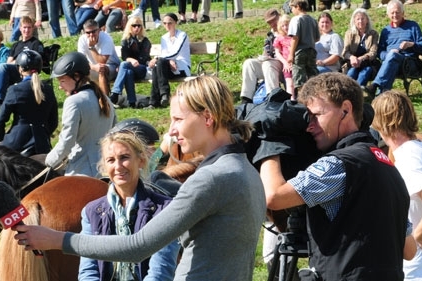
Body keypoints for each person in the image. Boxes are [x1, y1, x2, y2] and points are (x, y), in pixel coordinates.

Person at [15, 75, 267, 281]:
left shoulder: (211, 179)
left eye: (178, 119)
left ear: (208, 118)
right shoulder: (245, 169)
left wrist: (57, 239)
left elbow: (139, 245)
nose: (171, 130)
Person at [260, 72, 410, 280]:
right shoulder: (386, 165)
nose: (310, 126)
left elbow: (275, 197)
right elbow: (409, 250)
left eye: (316, 116)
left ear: (345, 110)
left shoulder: (339, 164)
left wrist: (270, 142)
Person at [78, 130, 179, 281]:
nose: (118, 166)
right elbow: (88, 271)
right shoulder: (90, 212)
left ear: (141, 160)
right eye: (111, 160)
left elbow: (160, 271)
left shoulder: (165, 208)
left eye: (124, 157)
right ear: (104, 166)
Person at [370, 91, 422, 280]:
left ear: (380, 122)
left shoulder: (410, 156)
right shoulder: (419, 149)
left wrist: (418, 236)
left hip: (421, 270)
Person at [45, 52, 116, 177]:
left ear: (76, 76)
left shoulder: (73, 102)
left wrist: (47, 162)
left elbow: (66, 143)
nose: (60, 87)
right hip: (106, 170)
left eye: (62, 81)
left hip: (81, 171)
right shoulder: (106, 99)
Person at [0, 50, 59, 156]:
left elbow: (0, 120)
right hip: (42, 144)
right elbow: (54, 122)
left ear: (20, 68)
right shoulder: (48, 89)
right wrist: (43, 134)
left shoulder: (15, 90)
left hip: (17, 142)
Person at [0, 16, 44, 109]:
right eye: (24, 27)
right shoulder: (16, 45)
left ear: (32, 28)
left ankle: (0, 100)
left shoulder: (35, 43)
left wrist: (18, 62)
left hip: (25, 72)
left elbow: (36, 60)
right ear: (20, 28)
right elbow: (9, 61)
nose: (26, 30)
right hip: (11, 72)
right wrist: (18, 61)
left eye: (29, 27)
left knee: (3, 66)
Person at [364, 0, 422, 97]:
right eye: (392, 12)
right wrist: (388, 55)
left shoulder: (412, 26)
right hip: (390, 64)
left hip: (409, 63)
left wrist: (411, 44)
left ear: (403, 13)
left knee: (393, 56)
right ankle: (381, 95)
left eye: (397, 12)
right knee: (392, 57)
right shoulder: (386, 31)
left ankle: (375, 85)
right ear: (388, 14)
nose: (395, 15)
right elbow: (380, 52)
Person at [145, 13, 190, 109]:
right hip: (168, 66)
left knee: (159, 62)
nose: (167, 26)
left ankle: (162, 96)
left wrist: (158, 58)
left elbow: (176, 52)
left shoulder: (182, 35)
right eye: (165, 23)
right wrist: (168, 61)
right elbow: (165, 53)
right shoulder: (164, 37)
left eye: (170, 23)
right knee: (156, 67)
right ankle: (155, 101)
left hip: (182, 67)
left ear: (175, 23)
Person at [240, 8, 283, 103]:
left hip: (284, 64)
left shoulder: (287, 29)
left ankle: (273, 98)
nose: (272, 24)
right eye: (269, 22)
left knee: (268, 64)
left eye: (273, 21)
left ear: (279, 17)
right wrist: (264, 56)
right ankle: (246, 99)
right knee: (249, 63)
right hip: (271, 64)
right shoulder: (270, 35)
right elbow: (266, 51)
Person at [109, 17, 151, 108]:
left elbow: (143, 58)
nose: (137, 28)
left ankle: (115, 94)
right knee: (128, 72)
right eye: (134, 25)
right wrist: (131, 60)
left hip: (142, 68)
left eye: (139, 25)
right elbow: (125, 56)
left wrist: (131, 61)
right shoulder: (125, 41)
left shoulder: (145, 41)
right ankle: (132, 102)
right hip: (130, 68)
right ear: (129, 27)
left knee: (124, 64)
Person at [78, 19, 121, 96]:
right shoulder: (82, 40)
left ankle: (105, 101)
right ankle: (82, 98)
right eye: (88, 32)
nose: (91, 35)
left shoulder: (106, 39)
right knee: (77, 71)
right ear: (84, 32)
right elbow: (81, 61)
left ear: (99, 30)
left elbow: (102, 61)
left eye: (93, 31)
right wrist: (93, 67)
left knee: (102, 69)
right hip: (92, 67)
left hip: (112, 67)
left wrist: (91, 47)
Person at [287, 0, 320, 96]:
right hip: (311, 51)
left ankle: (302, 97)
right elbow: (317, 38)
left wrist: (291, 54)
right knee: (313, 74)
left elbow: (295, 38)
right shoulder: (313, 20)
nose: (291, 10)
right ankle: (316, 95)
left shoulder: (296, 19)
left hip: (300, 52)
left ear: (297, 6)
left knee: (299, 76)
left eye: (292, 8)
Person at [341, 8, 379, 87]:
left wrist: (361, 59)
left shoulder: (373, 34)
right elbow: (345, 52)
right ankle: (347, 94)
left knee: (364, 73)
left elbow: (373, 52)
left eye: (363, 19)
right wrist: (352, 58)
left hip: (368, 63)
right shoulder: (349, 34)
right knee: (351, 73)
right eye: (358, 19)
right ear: (354, 21)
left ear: (367, 20)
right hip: (353, 64)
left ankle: (357, 94)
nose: (360, 21)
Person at [273, 15, 295, 96]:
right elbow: (277, 52)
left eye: (287, 24)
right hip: (286, 64)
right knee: (289, 84)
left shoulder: (295, 37)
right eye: (283, 25)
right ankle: (291, 101)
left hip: (296, 63)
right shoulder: (279, 38)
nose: (285, 27)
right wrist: (285, 63)